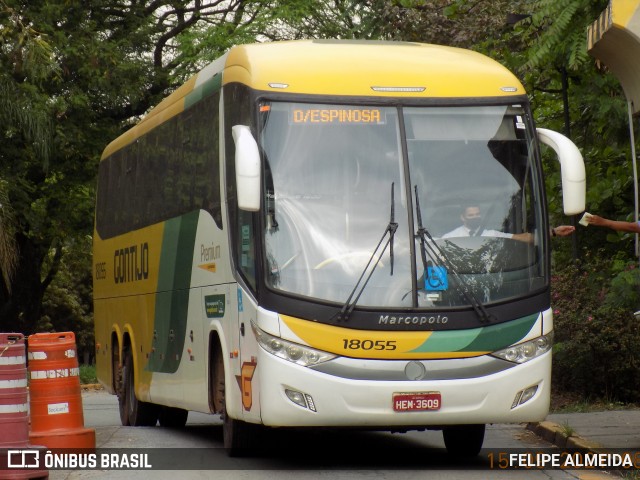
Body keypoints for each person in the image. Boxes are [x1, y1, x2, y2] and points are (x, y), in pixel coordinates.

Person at [441, 205, 575, 242]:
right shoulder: (451, 237)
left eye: (477, 214)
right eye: (471, 215)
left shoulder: (491, 234)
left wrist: (553, 232)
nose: (475, 217)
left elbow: (524, 237)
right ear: (463, 218)